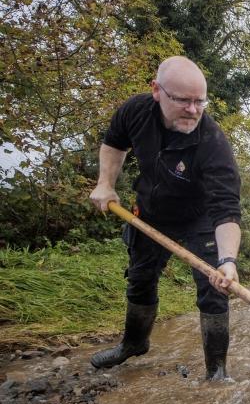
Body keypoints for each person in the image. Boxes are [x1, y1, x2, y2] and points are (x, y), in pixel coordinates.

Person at [88, 56, 241, 381]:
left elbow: (226, 209)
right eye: (183, 100)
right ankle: (134, 344)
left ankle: (217, 371)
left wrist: (228, 259)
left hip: (200, 219)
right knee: (140, 278)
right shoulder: (136, 111)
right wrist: (105, 184)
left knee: (214, 287)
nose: (193, 110)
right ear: (157, 91)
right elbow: (114, 143)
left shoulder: (213, 143)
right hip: (152, 213)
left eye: (199, 101)